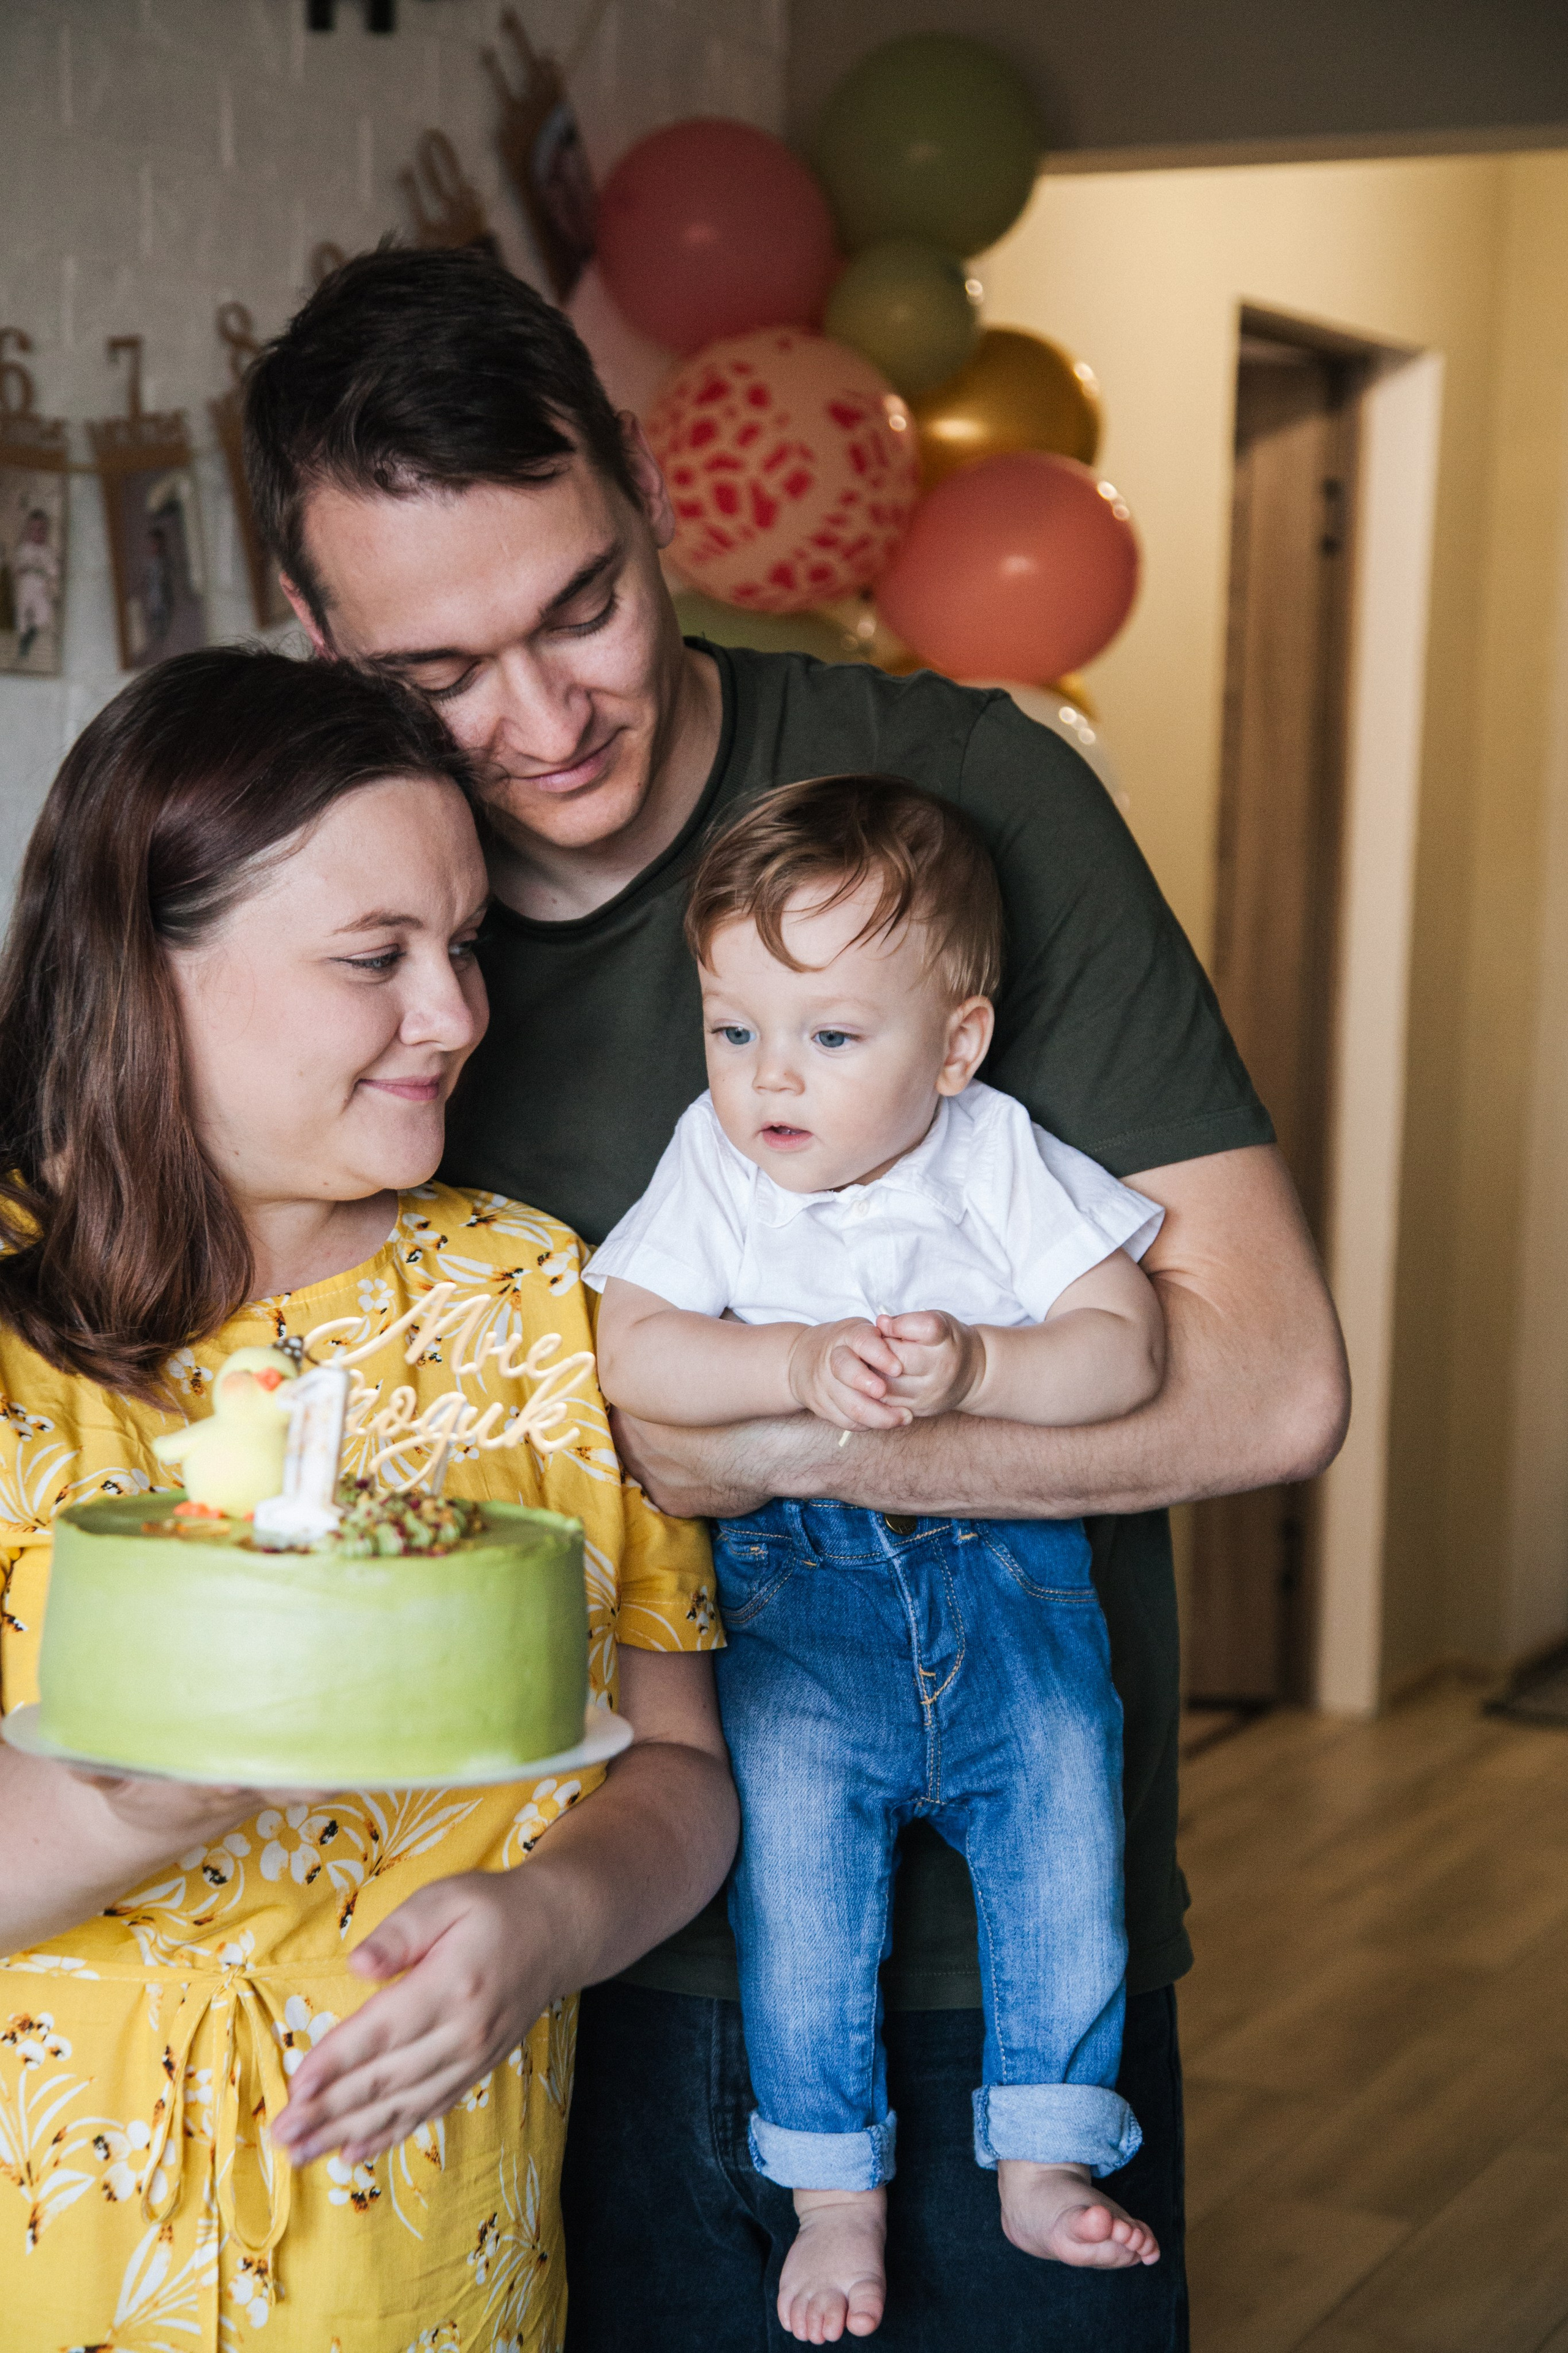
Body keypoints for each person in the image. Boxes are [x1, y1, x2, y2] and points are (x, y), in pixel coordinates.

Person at [242, 245, 1350, 2352]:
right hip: (537, 1967)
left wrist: (723, 1430)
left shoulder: (959, 805)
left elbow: (1276, 1384)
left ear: (649, 498)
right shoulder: (340, 905)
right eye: (439, 672)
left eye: (583, 605)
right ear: (313, 634)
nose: (547, 721)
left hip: (985, 1987)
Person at [0, 646, 736, 2353]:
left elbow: (683, 1768)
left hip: (413, 2269)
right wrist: (126, 1806)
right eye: (373, 958)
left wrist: (550, 1920)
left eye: (465, 944)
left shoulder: (543, 1301)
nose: (457, 1014)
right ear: (146, 970)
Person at [590, 774, 1167, 2342]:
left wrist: (979, 1368)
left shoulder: (992, 1154)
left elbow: (1120, 1347)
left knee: (1064, 1844)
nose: (768, 1078)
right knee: (799, 1889)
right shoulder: (716, 1169)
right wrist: (786, 1365)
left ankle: (1045, 2148)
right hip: (801, 1604)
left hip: (1011, 1597)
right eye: (734, 1030)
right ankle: (829, 2181)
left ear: (956, 1045)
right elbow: (633, 1345)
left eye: (830, 1038)